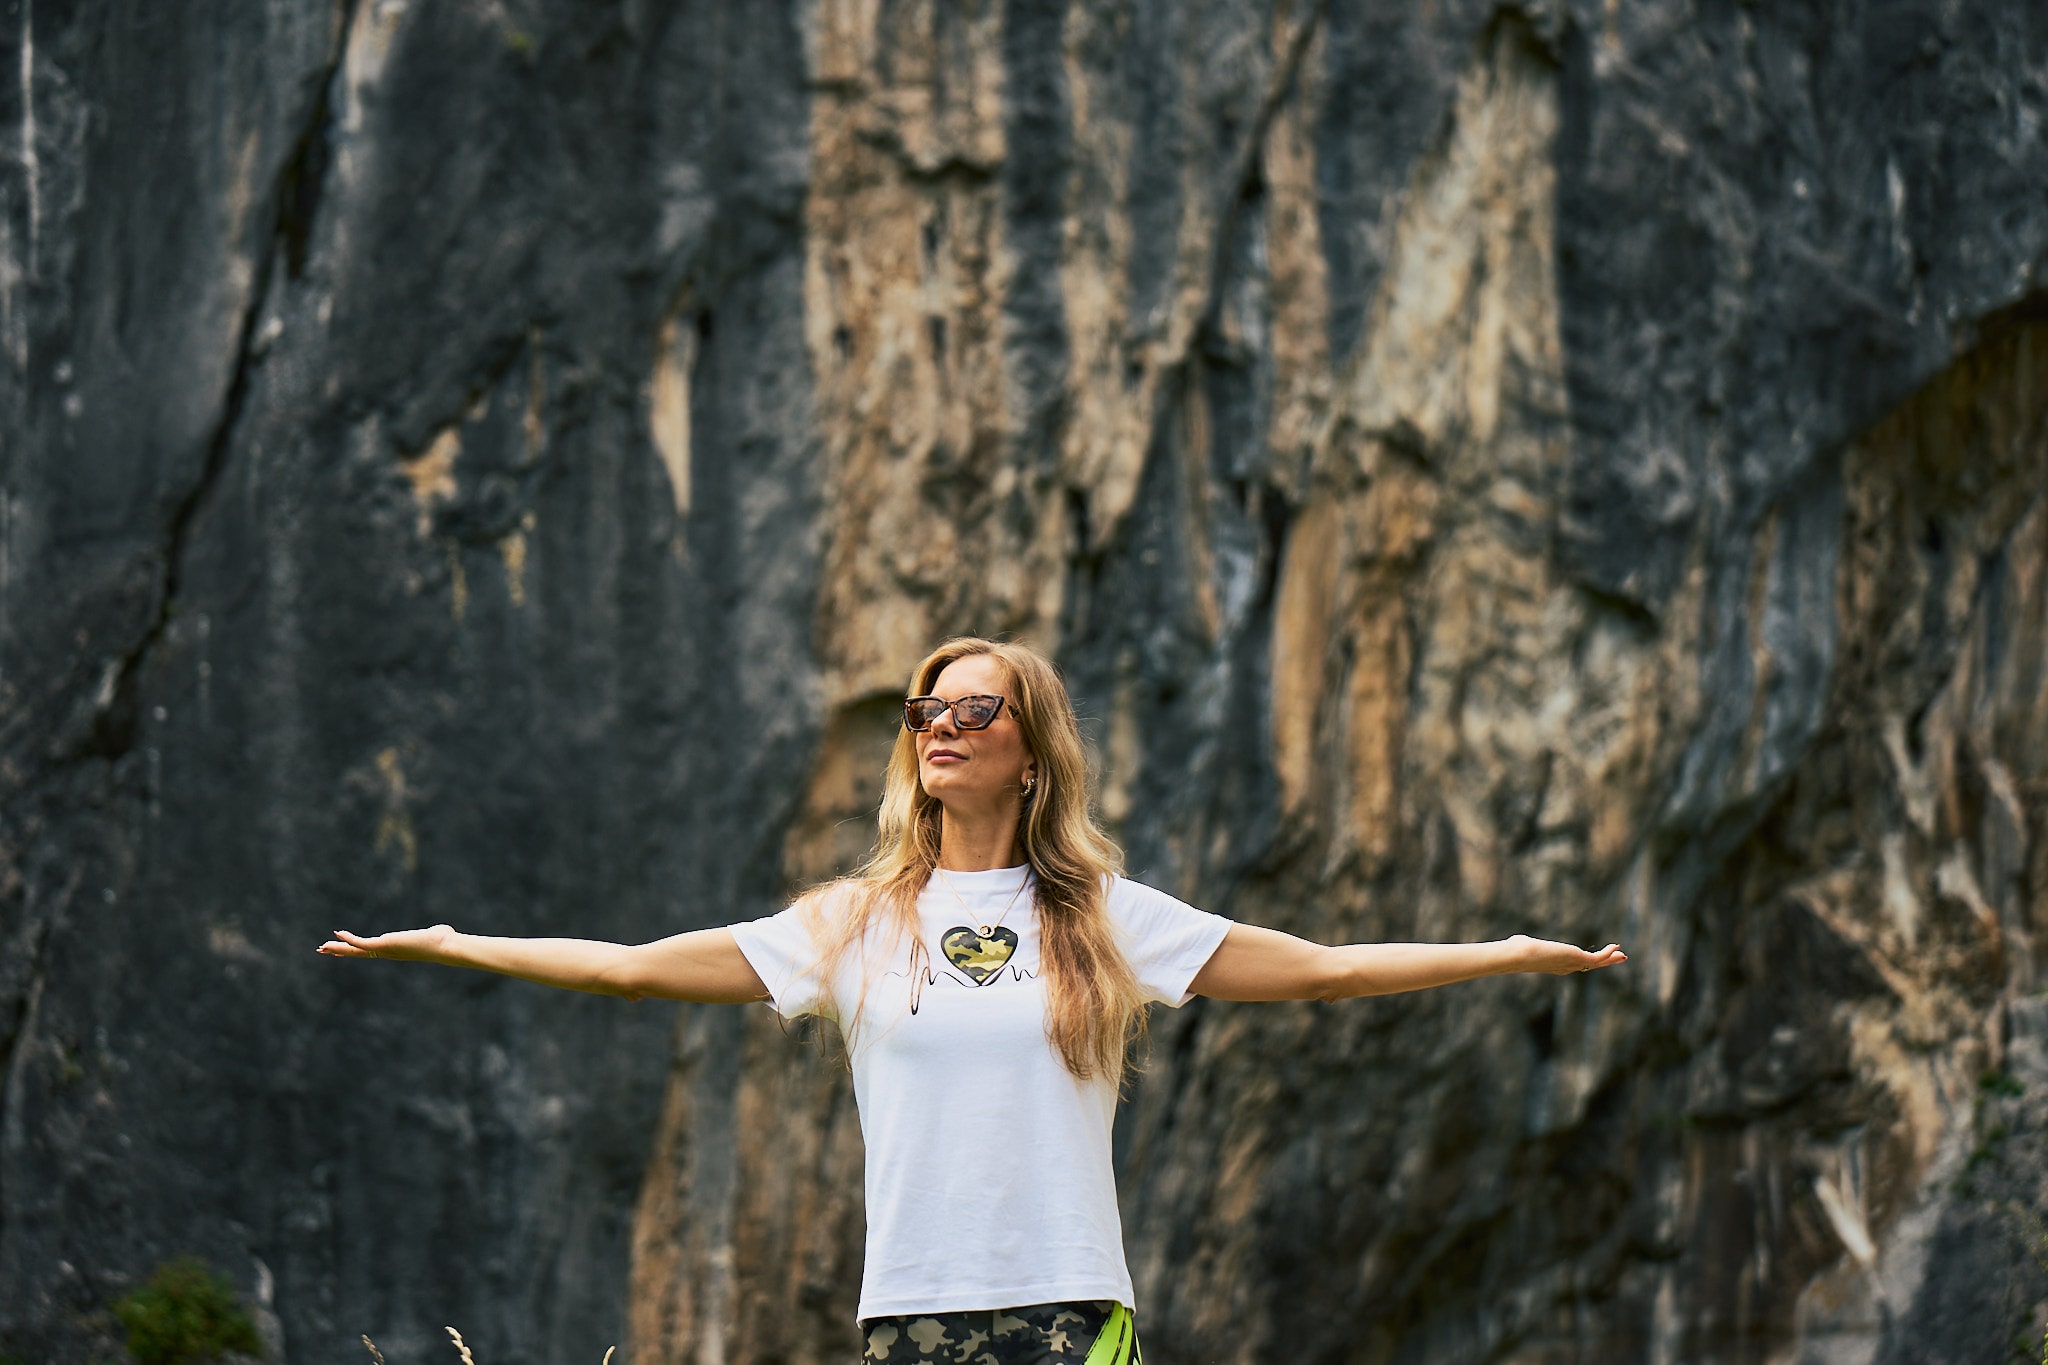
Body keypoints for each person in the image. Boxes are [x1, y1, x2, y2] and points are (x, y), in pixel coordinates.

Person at [321, 637, 1625, 1364]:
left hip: (1066, 1303)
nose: (940, 725)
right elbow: (624, 963)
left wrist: (1504, 951)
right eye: (924, 710)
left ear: (1028, 742)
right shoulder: (853, 919)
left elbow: (1331, 968)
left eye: (973, 706)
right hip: (909, 1306)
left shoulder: (1105, 917)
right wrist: (456, 941)